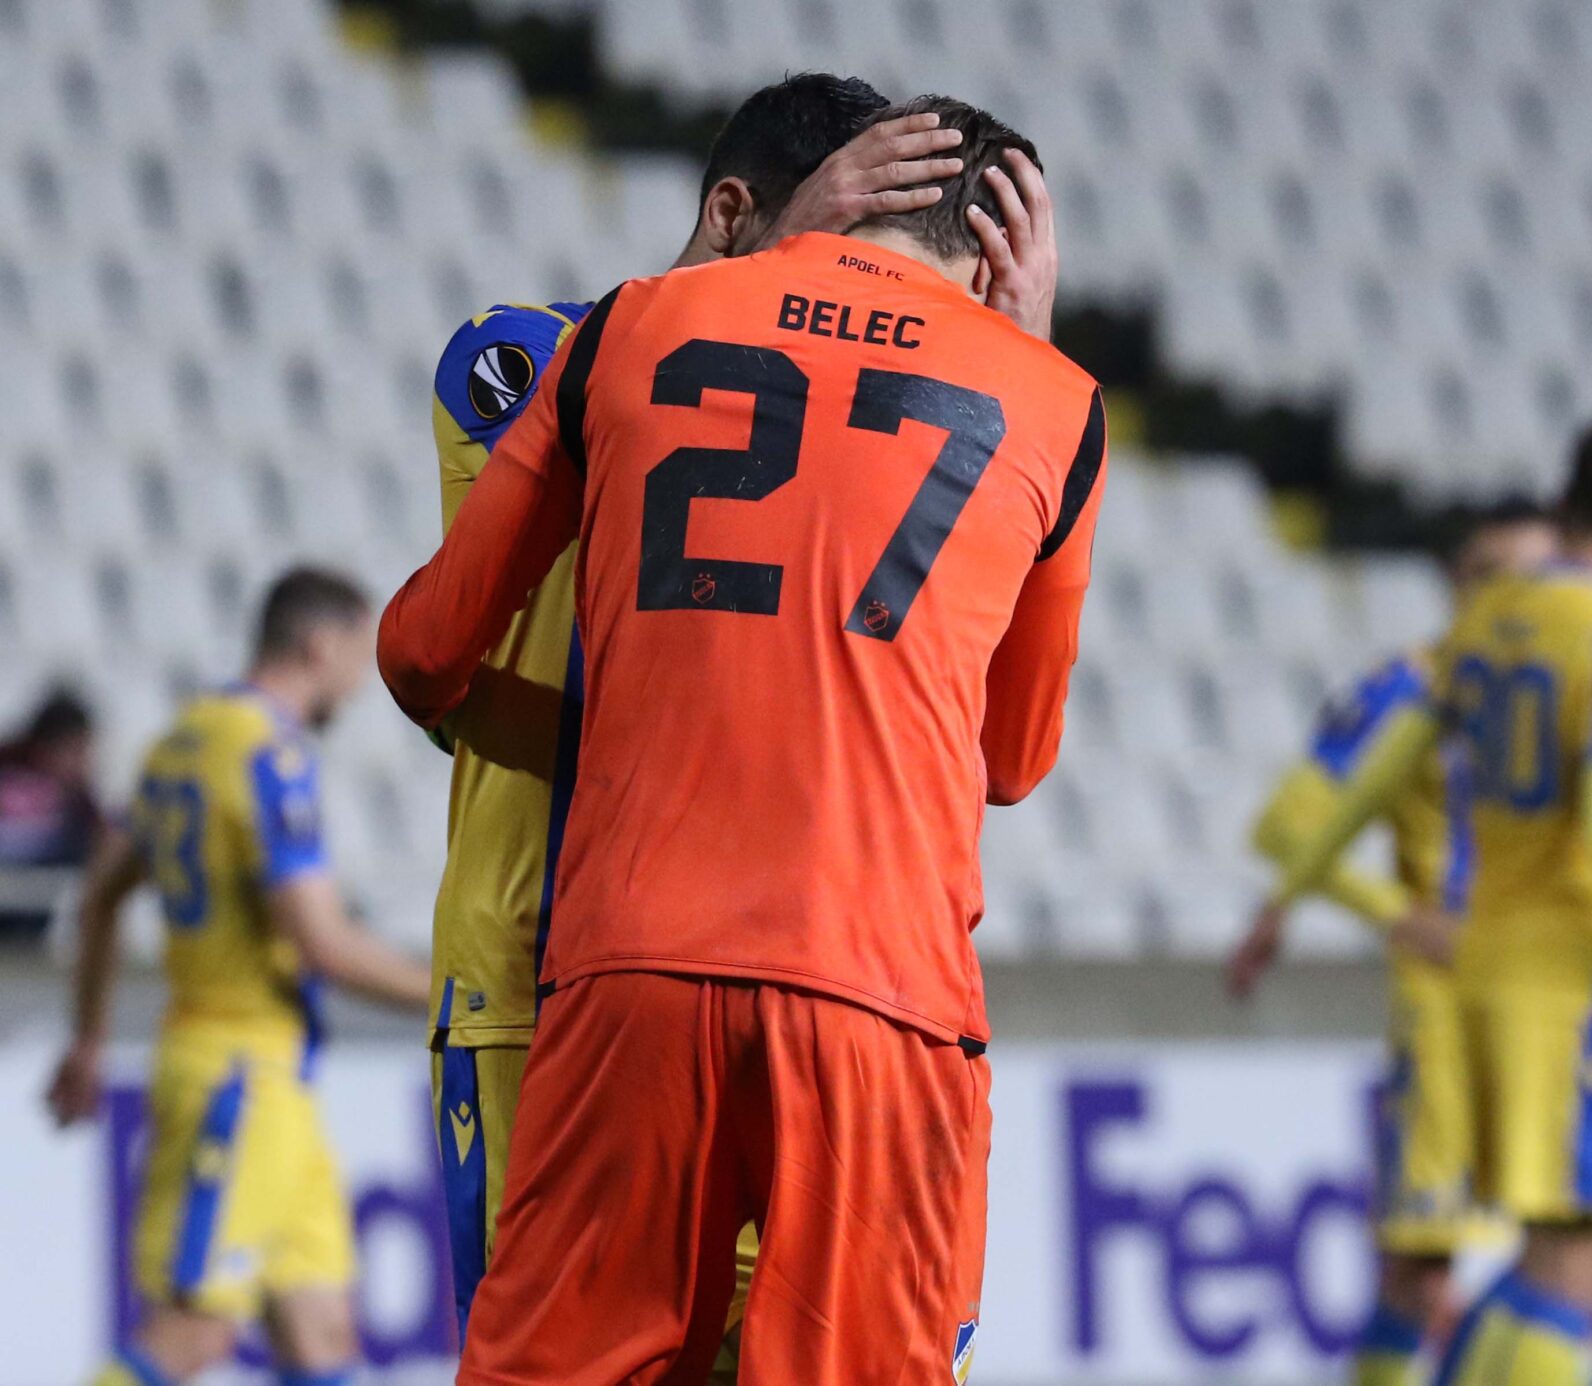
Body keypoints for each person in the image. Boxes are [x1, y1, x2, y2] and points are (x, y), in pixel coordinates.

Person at [380, 94, 1103, 1382]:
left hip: (618, 965)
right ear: (1000, 250)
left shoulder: (627, 333)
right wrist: (1021, 351)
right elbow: (1010, 763)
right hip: (877, 993)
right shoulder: (1047, 401)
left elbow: (422, 653)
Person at [1255, 419, 1592, 1386]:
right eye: (1487, 568)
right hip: (1548, 978)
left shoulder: (1481, 643)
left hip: (1491, 969)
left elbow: (1353, 798)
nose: (1508, 582)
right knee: (1537, 1260)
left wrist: (1283, 905)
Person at [45, 568, 434, 1386]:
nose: (360, 679)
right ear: (319, 644)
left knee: (322, 1331)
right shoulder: (270, 753)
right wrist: (452, 997)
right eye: (357, 654)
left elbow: (101, 895)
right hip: (238, 1078)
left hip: (269, 1083)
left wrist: (87, 1041)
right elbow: (322, 943)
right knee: (195, 1331)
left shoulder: (182, 740)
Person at [1229, 499, 1555, 1386]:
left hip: (1547, 1000)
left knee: (1583, 1249)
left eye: (1536, 576)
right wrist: (1394, 912)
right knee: (1422, 1267)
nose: (1515, 595)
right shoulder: (1412, 687)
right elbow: (1287, 821)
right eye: (1492, 574)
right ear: (1457, 585)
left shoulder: (1557, 691)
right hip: (1446, 1011)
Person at [0, 688, 102, 943]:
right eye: (76, 750)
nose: (83, 761)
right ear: (46, 747)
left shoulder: (76, 797)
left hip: (31, 908)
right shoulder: (9, 767)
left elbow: (101, 838)